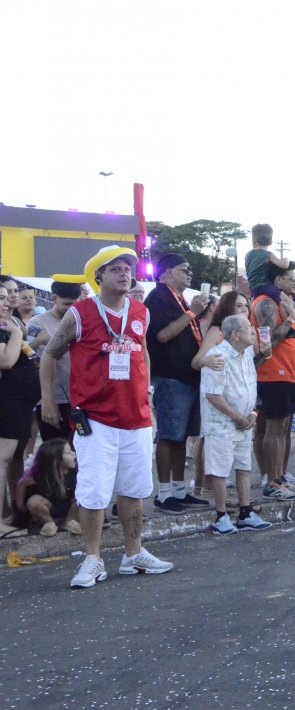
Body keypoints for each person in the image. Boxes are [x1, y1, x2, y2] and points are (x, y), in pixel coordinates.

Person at [42, 245, 175, 588]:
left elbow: (143, 351)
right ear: (98, 276)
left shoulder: (140, 311)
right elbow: (50, 354)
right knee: (94, 493)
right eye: (115, 268)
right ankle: (92, 559)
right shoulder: (80, 313)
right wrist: (48, 400)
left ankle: (134, 554)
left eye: (127, 268)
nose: (124, 273)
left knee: (134, 489)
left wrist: (147, 391)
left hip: (136, 416)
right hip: (95, 418)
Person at [145, 254, 212, 513]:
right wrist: (192, 312)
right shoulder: (158, 297)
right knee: (168, 435)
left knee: (181, 436)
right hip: (171, 378)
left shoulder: (179, 298)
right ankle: (163, 493)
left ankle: (179, 489)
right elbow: (162, 335)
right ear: (167, 272)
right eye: (185, 269)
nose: (190, 273)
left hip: (187, 377)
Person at [199, 314, 273, 533]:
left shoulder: (247, 353)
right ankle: (221, 516)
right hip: (221, 423)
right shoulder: (217, 356)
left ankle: (245, 512)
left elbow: (250, 386)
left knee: (244, 466)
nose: (253, 331)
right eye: (248, 328)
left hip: (244, 421)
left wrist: (252, 413)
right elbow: (212, 395)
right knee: (220, 470)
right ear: (235, 335)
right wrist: (237, 417)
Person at [250, 262, 295, 500]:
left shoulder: (282, 302)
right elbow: (267, 341)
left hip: (286, 372)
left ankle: (278, 478)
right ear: (277, 281)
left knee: (282, 428)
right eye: (290, 278)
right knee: (273, 428)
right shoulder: (266, 303)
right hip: (272, 373)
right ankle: (271, 481)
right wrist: (290, 319)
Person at [1, 283, 42, 522]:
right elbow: (6, 361)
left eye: (14, 292)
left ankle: (13, 508)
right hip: (8, 400)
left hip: (20, 401)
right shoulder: (4, 326)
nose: (11, 298)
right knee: (3, 458)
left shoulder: (11, 321)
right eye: (5, 294)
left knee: (15, 457)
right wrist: (17, 334)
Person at [26, 281, 81, 442]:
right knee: (54, 450)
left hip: (79, 398)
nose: (71, 309)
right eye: (67, 304)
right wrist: (47, 400)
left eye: (75, 304)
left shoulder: (80, 322)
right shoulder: (37, 323)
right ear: (53, 298)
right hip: (53, 398)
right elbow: (31, 360)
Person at [14, 438, 81, 537]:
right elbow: (22, 483)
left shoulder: (77, 472)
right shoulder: (41, 476)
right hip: (49, 506)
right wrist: (20, 504)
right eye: (68, 452)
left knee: (83, 497)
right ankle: (49, 522)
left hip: (69, 505)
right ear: (56, 458)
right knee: (34, 501)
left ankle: (69, 521)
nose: (73, 454)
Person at [244, 223, 295, 301]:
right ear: (270, 241)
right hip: (265, 286)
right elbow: (284, 265)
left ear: (254, 241)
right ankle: (290, 309)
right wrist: (286, 259)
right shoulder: (268, 255)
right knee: (285, 299)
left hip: (253, 289)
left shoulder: (248, 255)